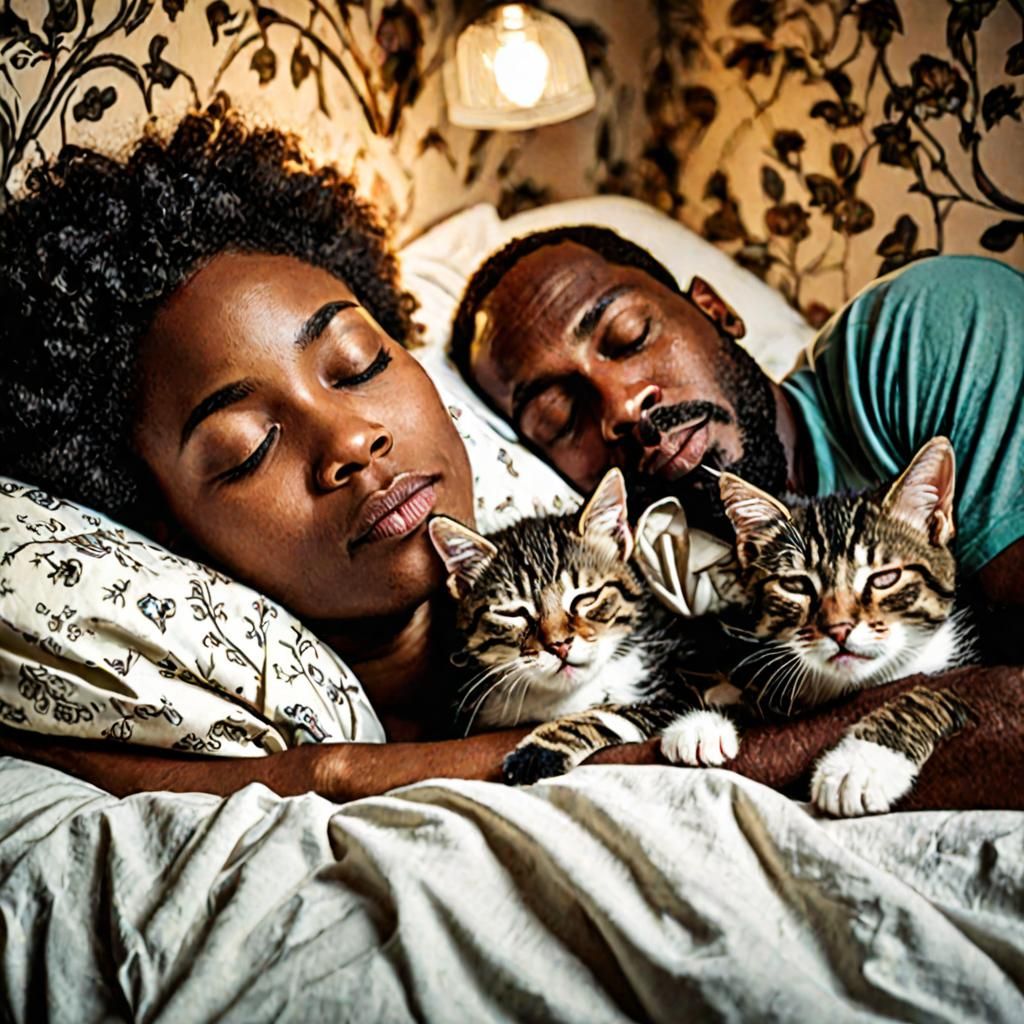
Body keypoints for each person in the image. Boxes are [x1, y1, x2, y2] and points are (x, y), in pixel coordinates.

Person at [450, 227, 1024, 636]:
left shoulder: (919, 331)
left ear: (714, 309)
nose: (622, 407)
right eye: (559, 416)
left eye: (629, 336)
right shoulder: (637, 597)